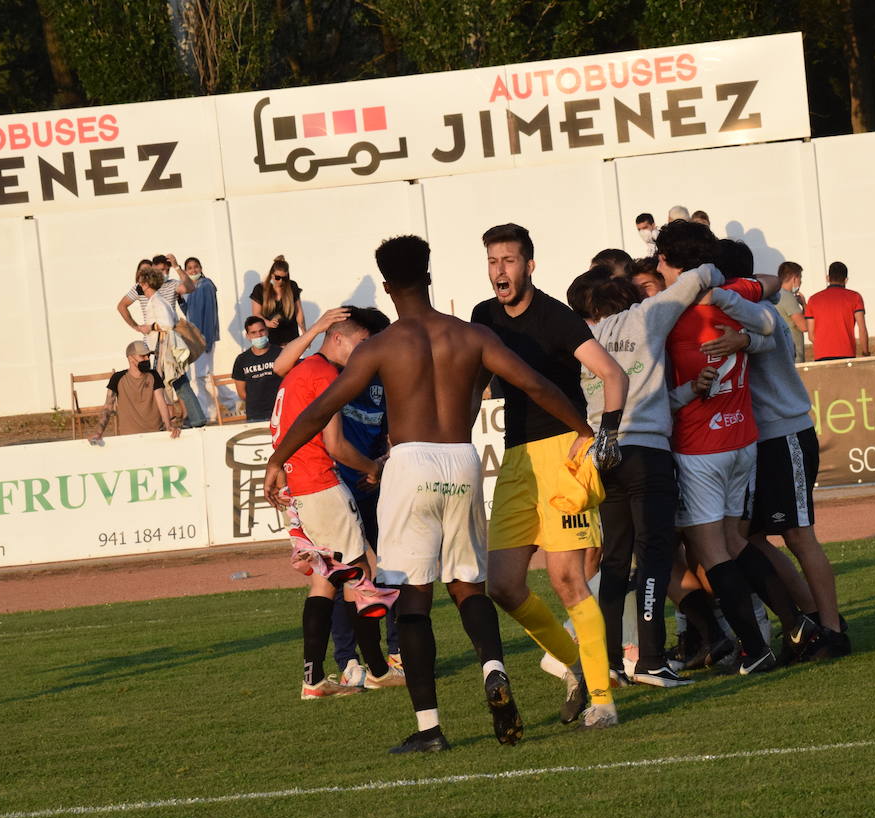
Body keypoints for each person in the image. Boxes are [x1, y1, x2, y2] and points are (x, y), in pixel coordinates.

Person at [268, 234, 598, 752]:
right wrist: (583, 428)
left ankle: (430, 730)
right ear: (428, 276)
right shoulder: (470, 336)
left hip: (411, 463)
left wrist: (276, 458)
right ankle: (493, 667)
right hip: (462, 461)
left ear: (386, 286)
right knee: (468, 583)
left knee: (415, 600)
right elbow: (536, 384)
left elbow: (319, 409)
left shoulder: (381, 345)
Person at [568, 257, 772, 686]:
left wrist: (684, 392)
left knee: (616, 560)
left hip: (606, 455)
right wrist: (721, 275)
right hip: (647, 454)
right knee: (656, 555)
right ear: (627, 298)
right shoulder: (646, 317)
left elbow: (637, 397)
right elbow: (702, 276)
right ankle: (651, 659)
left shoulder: (587, 339)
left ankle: (606, 661)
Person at [471, 223, 629, 729]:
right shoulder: (483, 317)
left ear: (530, 265)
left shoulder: (557, 317)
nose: (500, 270)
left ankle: (603, 700)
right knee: (502, 585)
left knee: (566, 579)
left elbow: (613, 374)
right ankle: (579, 669)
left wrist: (605, 435)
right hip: (515, 458)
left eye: (510, 260)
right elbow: (475, 385)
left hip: (564, 452)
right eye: (493, 261)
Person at [660, 222, 815, 675]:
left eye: (662, 263)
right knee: (733, 541)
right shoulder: (733, 293)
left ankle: (755, 646)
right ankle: (796, 624)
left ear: (673, 265)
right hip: (741, 437)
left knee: (711, 553)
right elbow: (769, 297)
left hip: (700, 444)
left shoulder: (667, 312)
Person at [273, 306, 403, 690]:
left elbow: (280, 366)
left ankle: (314, 679)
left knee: (325, 580)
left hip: (296, 486)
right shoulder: (327, 374)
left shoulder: (302, 368)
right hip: (320, 482)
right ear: (338, 338)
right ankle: (378, 671)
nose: (365, 351)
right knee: (361, 574)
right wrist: (373, 467)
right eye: (361, 343)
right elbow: (336, 444)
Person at [117, 259, 207, 429]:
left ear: (145, 283)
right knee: (174, 383)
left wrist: (148, 327)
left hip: (165, 348)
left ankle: (193, 419)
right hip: (162, 347)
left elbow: (167, 323)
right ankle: (181, 420)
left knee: (176, 383)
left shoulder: (156, 301)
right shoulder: (155, 299)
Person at [89, 341, 181, 444]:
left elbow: (161, 401)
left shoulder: (154, 375)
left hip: (155, 434)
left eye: (148, 355)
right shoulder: (117, 378)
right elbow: (108, 407)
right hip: (129, 438)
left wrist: (168, 425)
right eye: (142, 356)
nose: (147, 358)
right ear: (131, 358)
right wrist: (98, 432)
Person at [805, 261, 869, 360]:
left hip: (821, 355)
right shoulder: (855, 297)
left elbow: (811, 336)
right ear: (846, 280)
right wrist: (865, 353)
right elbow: (862, 329)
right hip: (847, 353)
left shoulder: (813, 299)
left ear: (827, 278)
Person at [181, 257, 220, 415]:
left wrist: (207, 340)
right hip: (194, 338)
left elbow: (210, 314)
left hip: (204, 337)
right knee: (204, 375)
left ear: (201, 268)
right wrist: (180, 301)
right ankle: (230, 403)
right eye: (189, 268)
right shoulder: (189, 287)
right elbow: (189, 312)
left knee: (202, 376)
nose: (193, 270)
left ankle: (208, 411)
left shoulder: (206, 285)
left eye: (196, 267)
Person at [231, 317, 283, 423]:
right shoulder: (242, 359)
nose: (259, 335)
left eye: (261, 331)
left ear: (267, 331)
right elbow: (241, 393)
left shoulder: (281, 353)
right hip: (255, 415)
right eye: (253, 332)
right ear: (248, 336)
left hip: (281, 411)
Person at [250, 255, 306, 347]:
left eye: (284, 278)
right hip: (270, 336)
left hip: (291, 335)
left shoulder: (292, 286)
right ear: (271, 274)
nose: (280, 281)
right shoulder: (260, 289)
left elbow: (299, 311)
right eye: (277, 277)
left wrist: (304, 332)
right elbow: (256, 314)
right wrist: (268, 323)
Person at [774, 261, 808, 363]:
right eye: (800, 278)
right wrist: (804, 305)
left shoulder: (775, 294)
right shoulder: (788, 297)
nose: (800, 282)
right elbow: (804, 326)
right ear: (794, 278)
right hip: (793, 356)